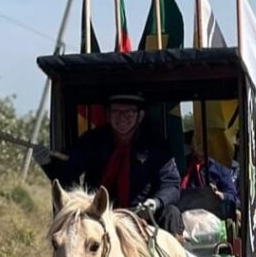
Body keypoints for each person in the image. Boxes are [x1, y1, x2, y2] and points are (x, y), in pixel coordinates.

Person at [33, 94, 184, 235]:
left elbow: (171, 184)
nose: (122, 118)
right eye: (116, 112)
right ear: (108, 115)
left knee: (171, 213)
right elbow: (68, 176)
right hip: (97, 215)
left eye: (129, 113)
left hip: (141, 216)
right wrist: (47, 163)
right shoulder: (92, 141)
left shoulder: (156, 145)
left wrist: (156, 202)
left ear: (140, 116)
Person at [180, 130, 238, 218]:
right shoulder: (183, 163)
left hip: (211, 215)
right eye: (198, 141)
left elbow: (232, 196)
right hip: (185, 211)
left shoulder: (220, 166)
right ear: (192, 143)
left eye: (204, 142)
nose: (201, 145)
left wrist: (221, 195)